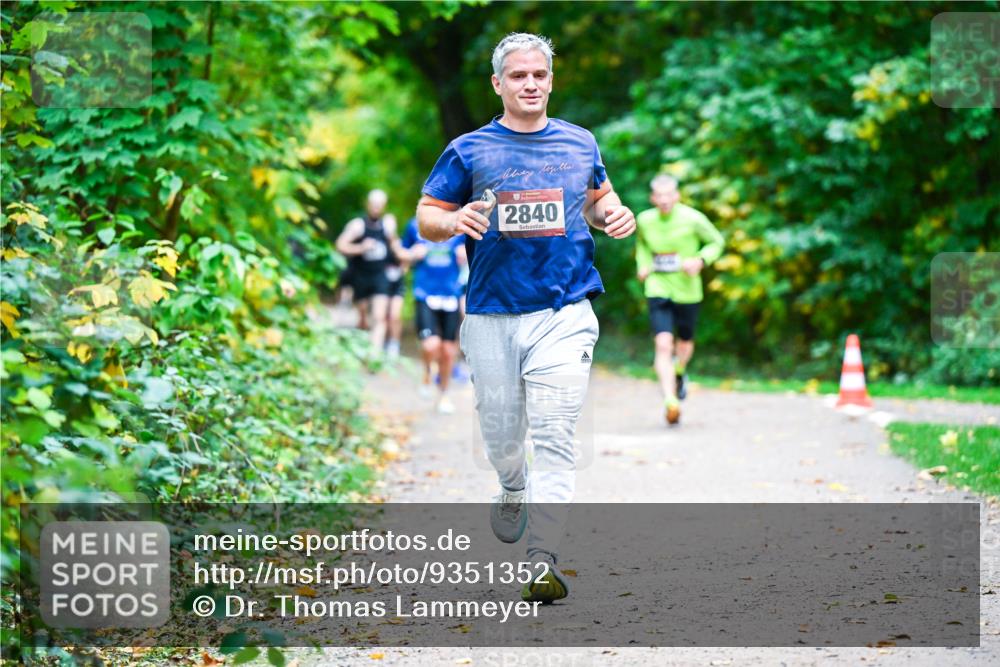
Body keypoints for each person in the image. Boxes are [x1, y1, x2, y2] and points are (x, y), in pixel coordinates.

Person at [416, 32, 635, 604]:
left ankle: (544, 560)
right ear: (498, 83)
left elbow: (596, 197)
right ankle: (512, 485)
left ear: (551, 80)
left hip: (565, 310)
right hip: (492, 313)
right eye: (518, 76)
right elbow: (426, 217)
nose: (531, 84)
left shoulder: (580, 142)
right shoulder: (469, 150)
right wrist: (453, 220)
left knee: (556, 431)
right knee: (502, 434)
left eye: (539, 75)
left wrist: (612, 213)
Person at [635, 174, 724, 425]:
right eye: (659, 195)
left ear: (676, 195)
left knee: (684, 344)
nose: (664, 200)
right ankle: (670, 401)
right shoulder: (644, 220)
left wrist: (700, 260)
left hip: (688, 290)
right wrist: (642, 265)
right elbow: (642, 247)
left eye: (668, 195)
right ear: (653, 198)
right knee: (663, 344)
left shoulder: (693, 218)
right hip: (658, 287)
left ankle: (680, 370)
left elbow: (717, 242)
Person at [399, 217, 466, 414]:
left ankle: (444, 395)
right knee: (431, 345)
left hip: (451, 294)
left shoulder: (459, 223)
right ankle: (428, 371)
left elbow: (477, 251)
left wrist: (466, 255)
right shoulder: (414, 225)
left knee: (447, 351)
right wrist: (411, 254)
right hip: (425, 293)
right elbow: (401, 253)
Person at [335, 189, 399, 355]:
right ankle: (362, 345)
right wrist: (360, 248)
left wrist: (406, 256)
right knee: (363, 317)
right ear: (368, 205)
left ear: (384, 206)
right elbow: (340, 245)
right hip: (360, 276)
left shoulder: (388, 226)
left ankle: (374, 355)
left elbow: (396, 248)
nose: (377, 208)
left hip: (380, 276)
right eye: (374, 205)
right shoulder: (357, 225)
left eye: (380, 205)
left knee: (379, 317)